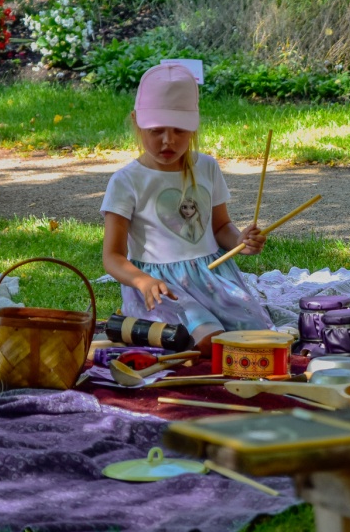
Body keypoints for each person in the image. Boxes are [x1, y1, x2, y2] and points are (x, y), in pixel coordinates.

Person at [101, 64, 274, 356]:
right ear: (136, 122)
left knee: (257, 337)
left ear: (193, 127)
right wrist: (143, 281)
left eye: (179, 130)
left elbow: (220, 228)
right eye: (156, 130)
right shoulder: (126, 181)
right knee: (209, 341)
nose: (168, 140)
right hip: (162, 288)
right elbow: (112, 256)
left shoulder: (207, 167)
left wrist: (239, 241)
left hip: (212, 277)